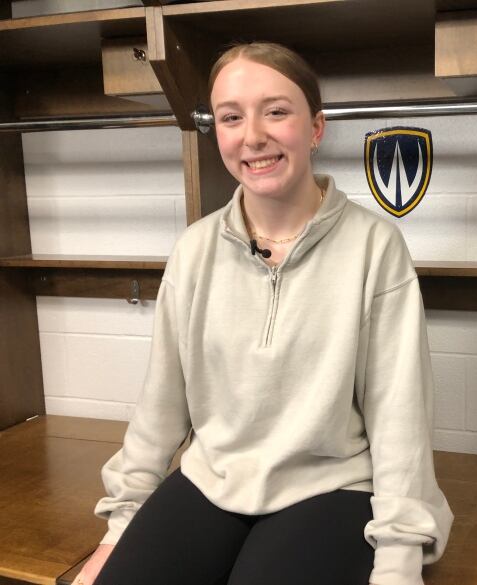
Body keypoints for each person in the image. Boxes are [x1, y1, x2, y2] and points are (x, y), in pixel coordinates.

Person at [74, 42, 453, 585]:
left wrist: (398, 561)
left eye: (276, 111)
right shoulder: (194, 249)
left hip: (330, 487)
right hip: (212, 480)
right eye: (231, 117)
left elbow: (401, 418)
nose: (253, 135)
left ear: (316, 127)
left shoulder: (376, 246)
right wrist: (119, 528)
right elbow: (159, 407)